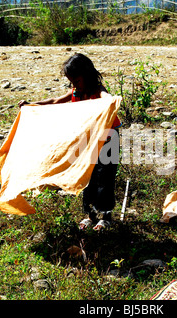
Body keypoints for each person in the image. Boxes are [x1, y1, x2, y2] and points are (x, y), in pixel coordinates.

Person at [18, 53, 122, 231]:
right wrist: (32, 105)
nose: (75, 85)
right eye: (72, 81)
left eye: (78, 80)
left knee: (105, 176)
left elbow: (107, 98)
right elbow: (56, 101)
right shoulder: (76, 92)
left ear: (87, 75)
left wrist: (111, 100)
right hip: (88, 140)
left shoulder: (97, 91)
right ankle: (90, 214)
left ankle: (105, 216)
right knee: (87, 176)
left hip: (108, 137)